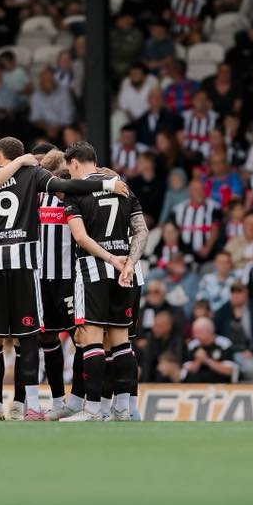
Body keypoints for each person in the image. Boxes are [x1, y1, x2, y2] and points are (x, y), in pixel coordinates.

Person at [0, 138, 129, 421]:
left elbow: (67, 184)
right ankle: (45, 402)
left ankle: (79, 401)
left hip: (61, 275)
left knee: (79, 339)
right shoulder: (33, 182)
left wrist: (103, 180)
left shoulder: (46, 185)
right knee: (35, 338)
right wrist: (107, 183)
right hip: (35, 274)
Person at [57, 143, 148, 422]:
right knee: (122, 342)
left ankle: (93, 410)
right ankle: (123, 408)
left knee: (92, 340)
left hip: (93, 268)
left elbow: (81, 237)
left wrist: (109, 258)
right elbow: (141, 230)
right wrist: (128, 263)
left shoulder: (76, 191)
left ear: (73, 163)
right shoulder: (122, 186)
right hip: (125, 272)